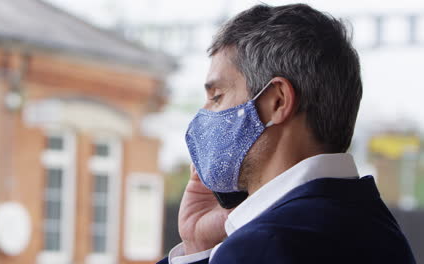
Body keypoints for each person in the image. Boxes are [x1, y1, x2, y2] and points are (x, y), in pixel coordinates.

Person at [158, 3, 416, 264]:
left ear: (278, 102)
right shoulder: (380, 231)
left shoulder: (264, 247)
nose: (204, 114)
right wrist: (197, 245)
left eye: (216, 96)